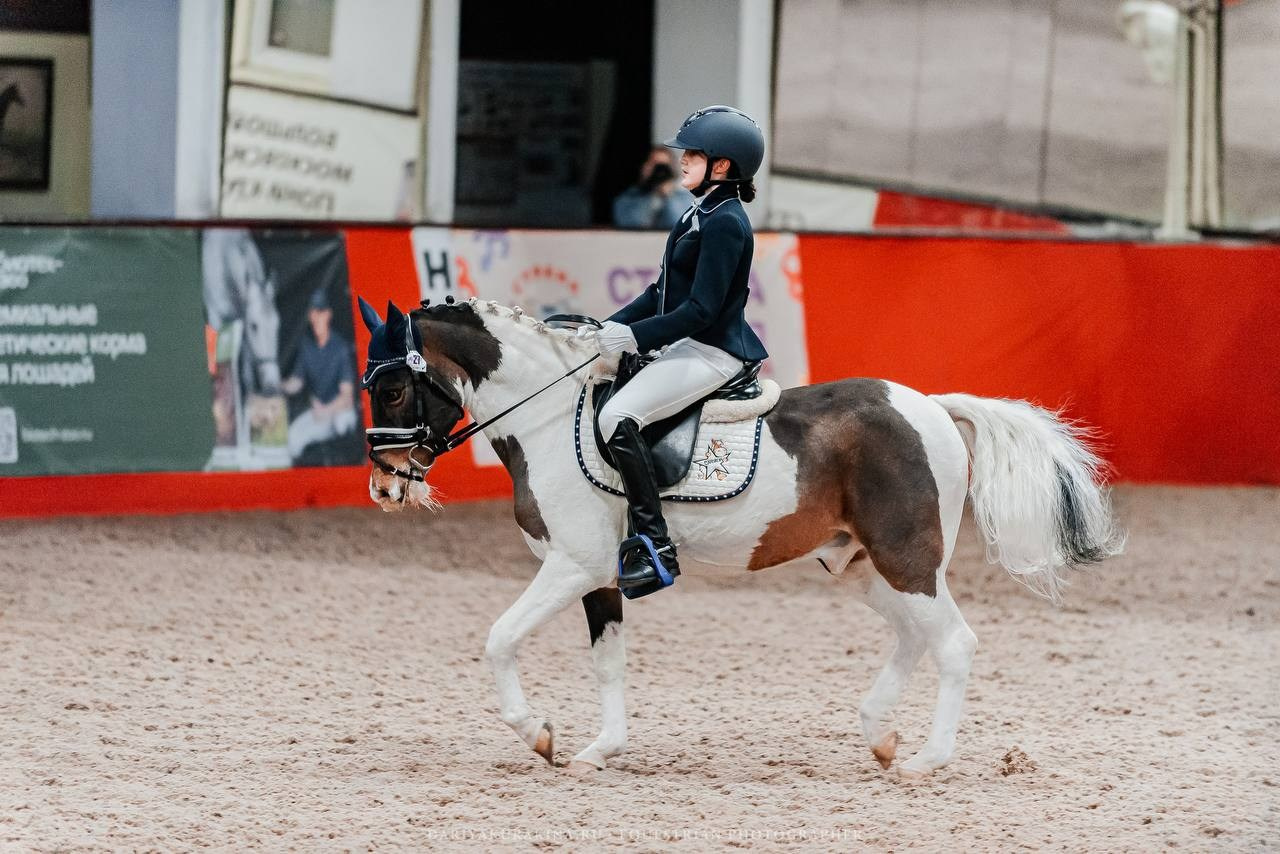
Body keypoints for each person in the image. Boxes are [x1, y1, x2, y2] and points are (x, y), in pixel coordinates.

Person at [583, 105, 768, 597]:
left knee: (616, 418)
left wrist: (638, 338)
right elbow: (659, 292)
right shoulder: (698, 212)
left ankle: (653, 542)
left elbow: (702, 310)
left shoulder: (726, 221)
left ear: (722, 165)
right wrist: (611, 325)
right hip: (687, 343)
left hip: (712, 350)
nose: (680, 160)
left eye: (692, 153)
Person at [281, 287, 358, 462]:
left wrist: (327, 411)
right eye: (313, 312)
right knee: (293, 438)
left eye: (320, 312)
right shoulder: (306, 346)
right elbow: (297, 382)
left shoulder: (340, 348)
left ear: (328, 315)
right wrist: (277, 385)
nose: (316, 317)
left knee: (343, 425)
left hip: (339, 410)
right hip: (319, 411)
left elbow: (346, 396)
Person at [611, 145, 696, 229]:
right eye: (655, 165)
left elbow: (681, 225)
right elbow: (633, 224)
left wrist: (668, 195)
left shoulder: (686, 198)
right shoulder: (628, 197)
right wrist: (654, 196)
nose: (659, 171)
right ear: (644, 166)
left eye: (664, 166)